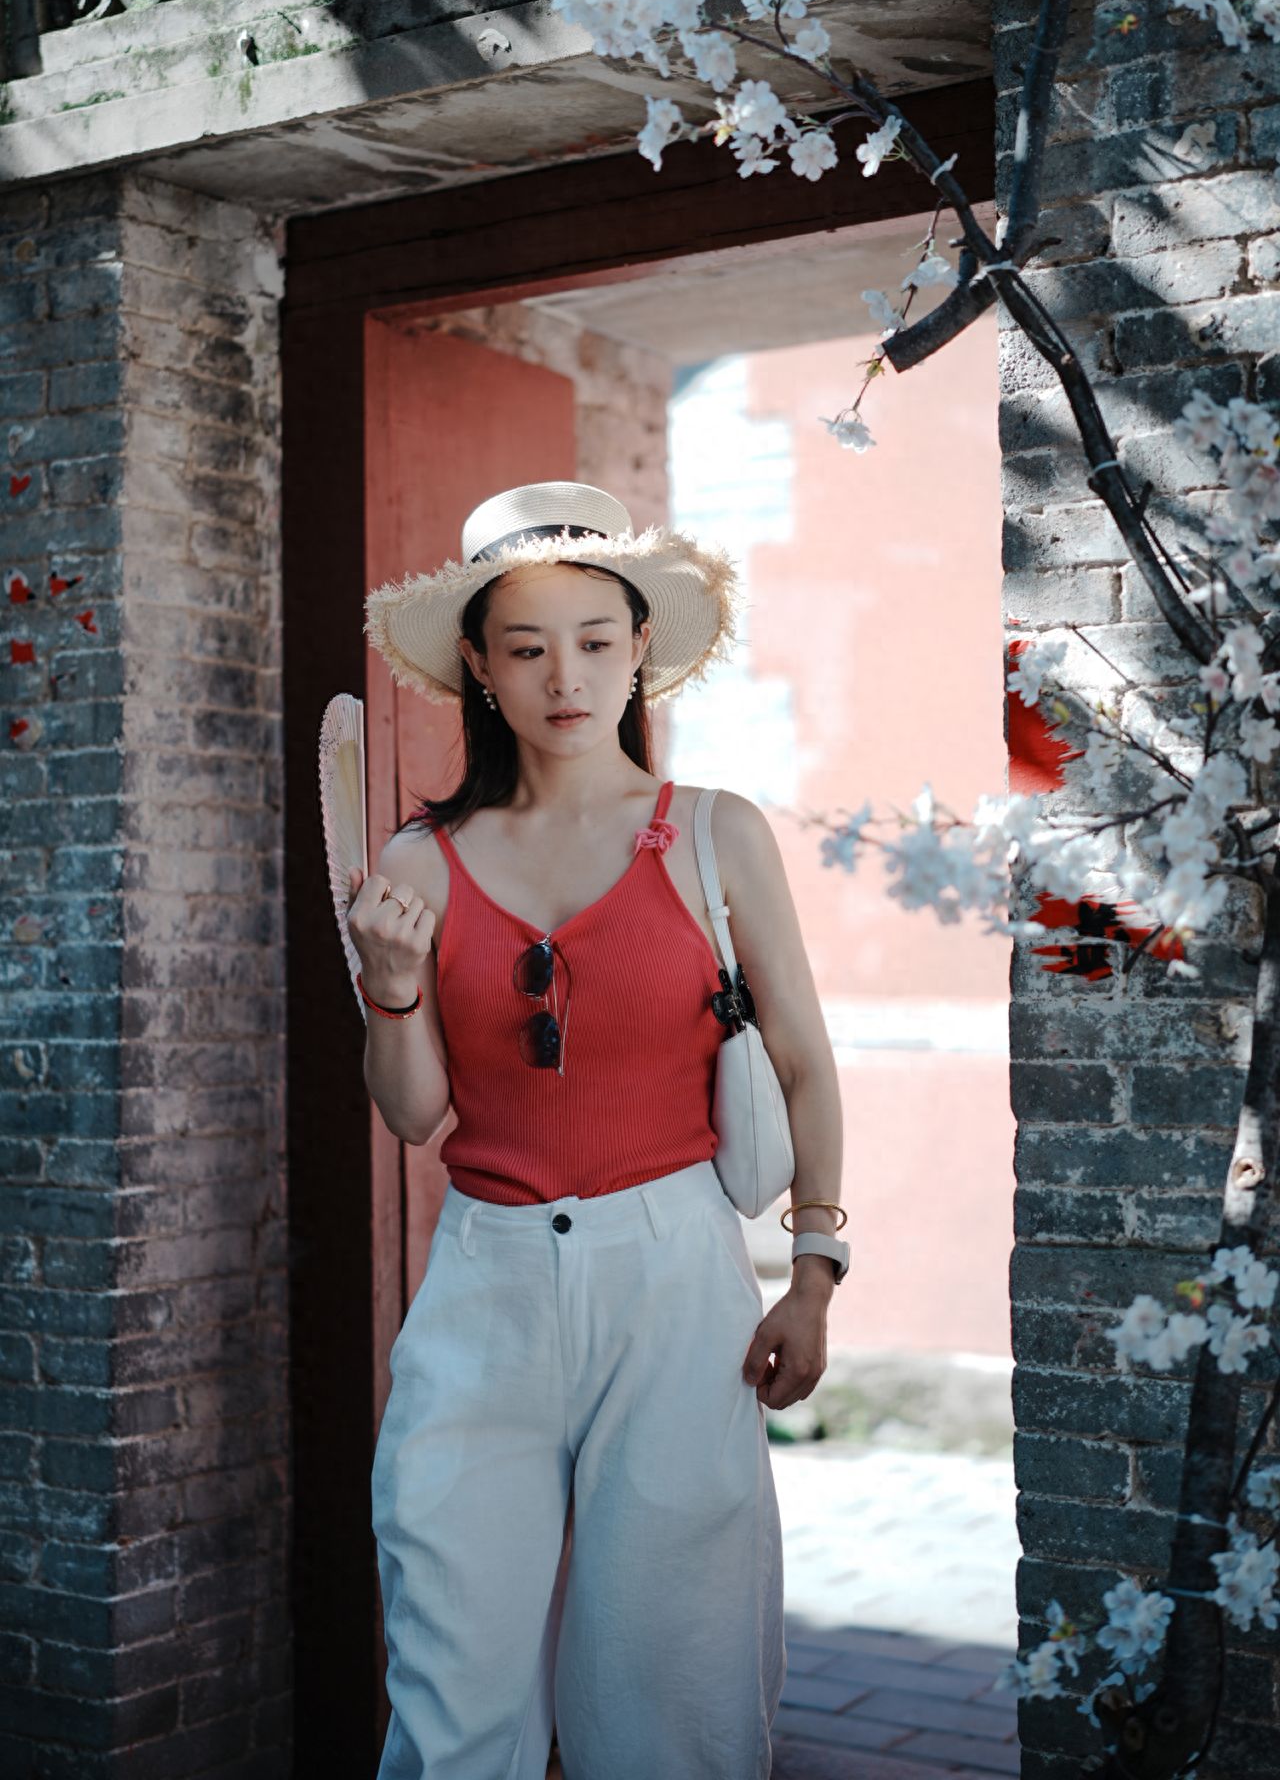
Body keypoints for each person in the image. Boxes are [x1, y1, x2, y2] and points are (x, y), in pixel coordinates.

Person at [348, 482, 848, 1780]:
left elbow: (803, 1062)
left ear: (637, 651)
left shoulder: (716, 838)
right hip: (485, 1284)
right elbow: (412, 1112)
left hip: (674, 1276)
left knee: (671, 1678)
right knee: (453, 1675)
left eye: (591, 640)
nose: (562, 676)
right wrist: (393, 992)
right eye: (525, 648)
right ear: (479, 667)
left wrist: (812, 1274)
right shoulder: (417, 860)